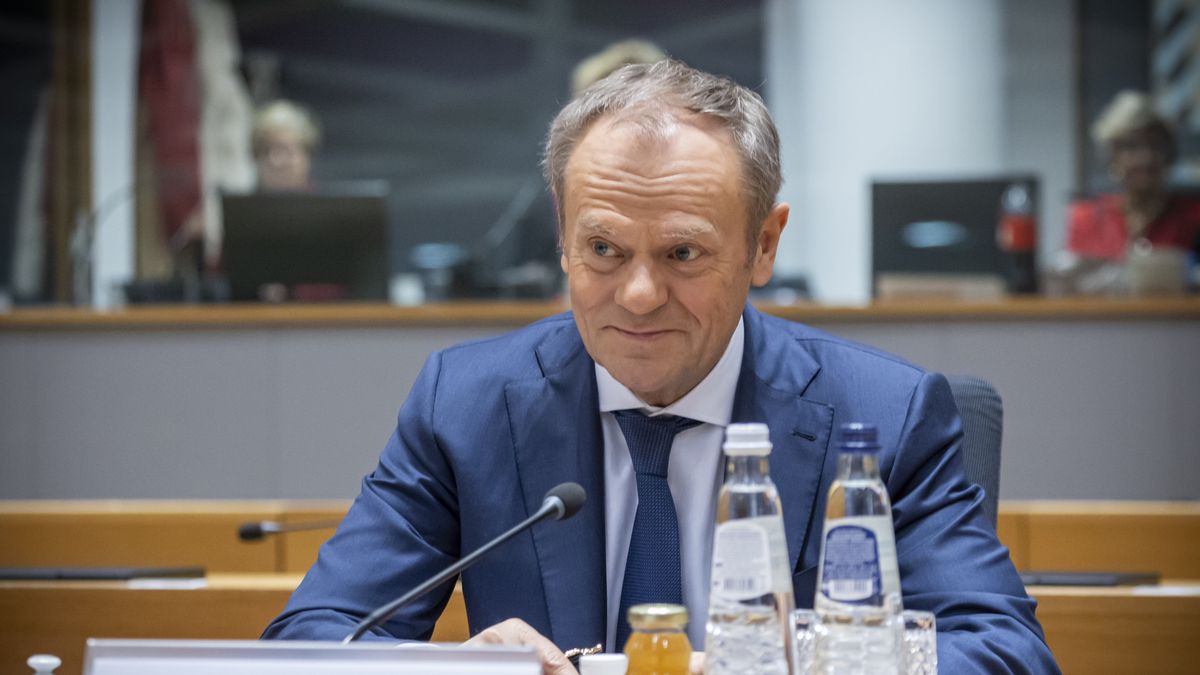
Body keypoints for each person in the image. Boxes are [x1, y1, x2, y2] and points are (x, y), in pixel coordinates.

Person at [263, 60, 1058, 674]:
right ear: (564, 234)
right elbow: (314, 638)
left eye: (682, 252)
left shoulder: (887, 413)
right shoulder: (464, 404)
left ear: (764, 244)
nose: (638, 296)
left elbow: (1003, 651)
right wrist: (450, 666)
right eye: (603, 249)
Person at [1062, 91, 1199, 286]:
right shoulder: (1086, 218)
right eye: (1131, 147)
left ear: (1169, 154)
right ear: (1112, 157)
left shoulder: (1193, 216)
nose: (1146, 158)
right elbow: (1072, 287)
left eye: (1155, 145)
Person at [251, 99, 320, 191]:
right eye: (266, 151)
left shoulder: (330, 203)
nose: (274, 160)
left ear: (306, 156)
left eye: (284, 150)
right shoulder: (237, 203)